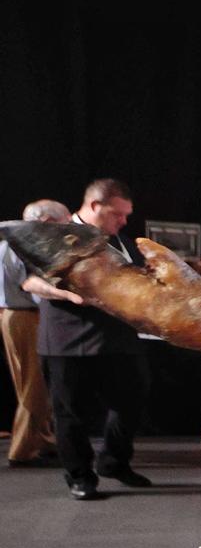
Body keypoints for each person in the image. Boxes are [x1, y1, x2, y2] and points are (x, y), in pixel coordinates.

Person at [24, 179, 153, 500]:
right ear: (95, 205)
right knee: (70, 412)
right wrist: (66, 294)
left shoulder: (123, 241)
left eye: (126, 215)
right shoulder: (58, 236)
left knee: (133, 400)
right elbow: (31, 283)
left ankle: (113, 461)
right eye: (117, 214)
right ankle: (80, 475)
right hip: (69, 338)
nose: (123, 221)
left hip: (119, 337)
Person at [1, 199, 70, 466]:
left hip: (12, 315)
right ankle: (23, 451)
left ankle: (42, 440)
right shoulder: (24, 245)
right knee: (35, 386)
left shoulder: (8, 242)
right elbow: (31, 284)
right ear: (46, 222)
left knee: (29, 384)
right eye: (63, 223)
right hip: (26, 317)